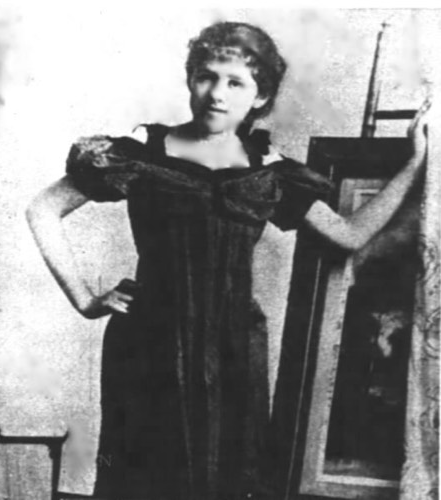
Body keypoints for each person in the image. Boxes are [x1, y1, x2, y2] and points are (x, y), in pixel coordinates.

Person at [26, 21, 430, 500]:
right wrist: (86, 300)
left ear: (261, 96)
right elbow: (43, 210)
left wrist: (415, 163)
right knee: (141, 473)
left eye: (235, 83)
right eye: (206, 77)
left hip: (234, 348)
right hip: (150, 343)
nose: (217, 94)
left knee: (227, 476)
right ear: (190, 79)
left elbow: (349, 234)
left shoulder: (270, 173)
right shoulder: (140, 154)